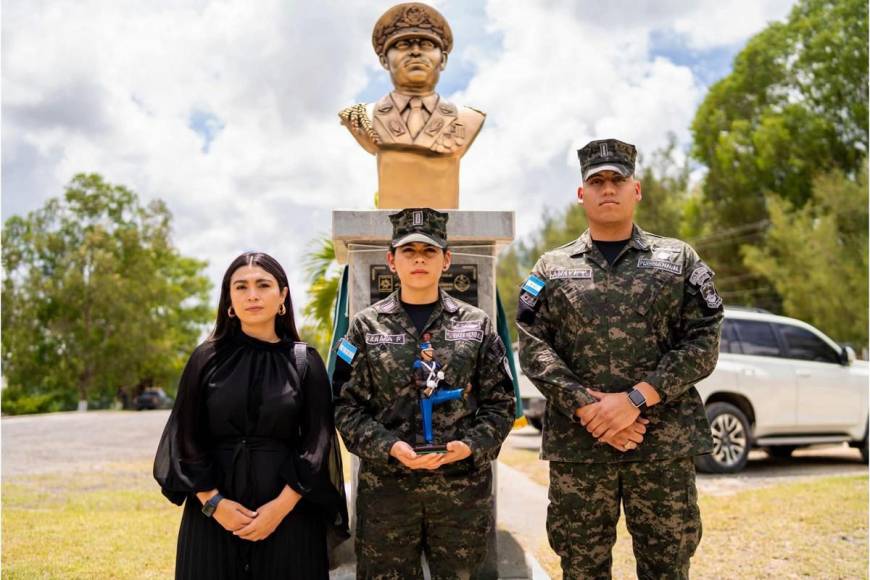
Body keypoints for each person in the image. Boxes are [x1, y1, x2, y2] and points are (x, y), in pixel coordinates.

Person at [517, 139, 724, 579]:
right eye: (596, 181)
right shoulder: (550, 268)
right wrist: (588, 407)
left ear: (637, 189)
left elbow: (704, 338)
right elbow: (532, 344)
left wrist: (634, 399)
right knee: (581, 567)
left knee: (667, 566)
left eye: (617, 179)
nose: (607, 188)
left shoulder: (679, 259)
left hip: (662, 446)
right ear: (582, 194)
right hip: (581, 448)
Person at [333, 208, 515, 579]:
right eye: (408, 250)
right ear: (391, 260)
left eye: (429, 251)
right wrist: (388, 446)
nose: (419, 258)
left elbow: (501, 404)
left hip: (460, 494)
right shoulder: (364, 328)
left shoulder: (477, 325)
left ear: (446, 260)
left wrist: (470, 445)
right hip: (388, 494)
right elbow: (344, 406)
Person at [154, 252, 348, 580]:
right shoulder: (205, 359)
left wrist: (278, 510)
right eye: (241, 287)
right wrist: (215, 504)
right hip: (213, 517)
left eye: (263, 285)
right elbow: (184, 438)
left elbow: (318, 444)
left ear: (283, 295)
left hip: (290, 516)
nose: (252, 295)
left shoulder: (305, 362)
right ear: (229, 299)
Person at [339, 3, 485, 208]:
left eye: (426, 45)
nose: (415, 52)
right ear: (384, 61)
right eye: (403, 45)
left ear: (442, 60)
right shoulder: (363, 117)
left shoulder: (468, 119)